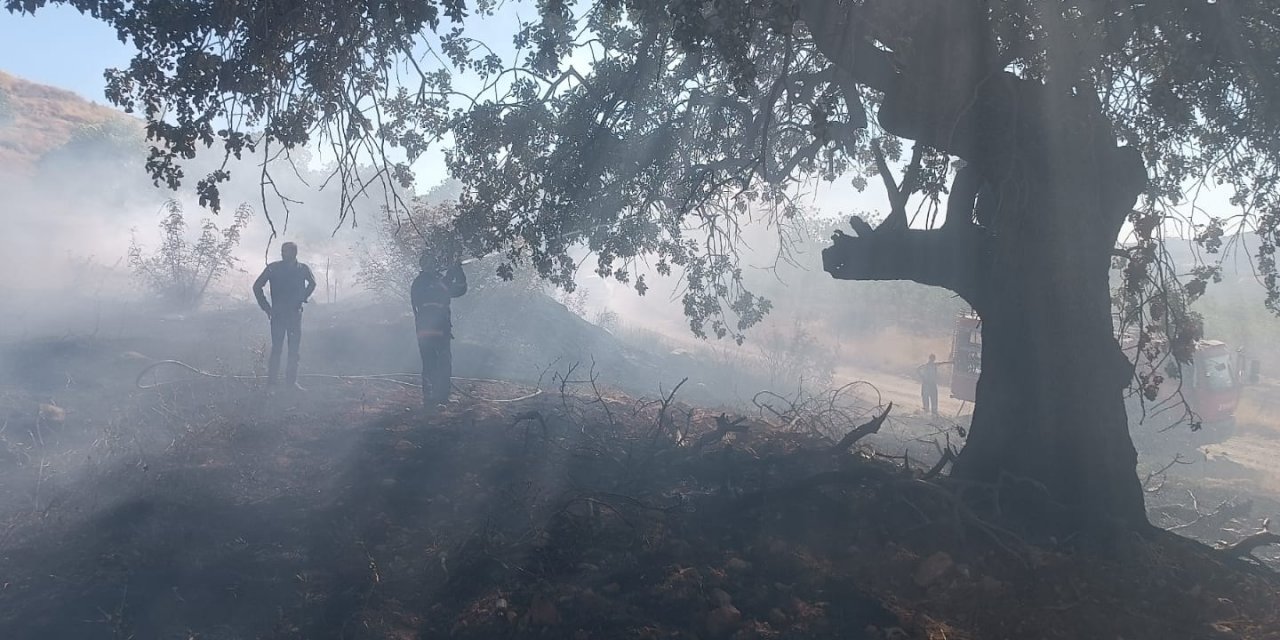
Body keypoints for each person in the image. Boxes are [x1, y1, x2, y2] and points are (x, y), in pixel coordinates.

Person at [252, 242, 316, 390]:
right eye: (282, 251)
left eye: (285, 251)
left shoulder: (302, 269)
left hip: (294, 314)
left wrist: (303, 298)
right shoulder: (273, 268)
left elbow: (312, 284)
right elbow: (257, 286)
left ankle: (291, 382)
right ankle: (272, 384)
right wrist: (266, 307)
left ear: (294, 253)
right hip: (278, 315)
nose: (282, 254)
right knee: (277, 350)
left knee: (294, 350)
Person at [411, 252, 467, 409]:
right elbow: (438, 292)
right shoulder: (421, 282)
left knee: (443, 364)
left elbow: (460, 290)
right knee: (431, 364)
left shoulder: (434, 281)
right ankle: (430, 400)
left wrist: (458, 272)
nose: (435, 267)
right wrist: (449, 275)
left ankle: (442, 398)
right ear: (425, 266)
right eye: (432, 264)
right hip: (428, 329)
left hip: (439, 329)